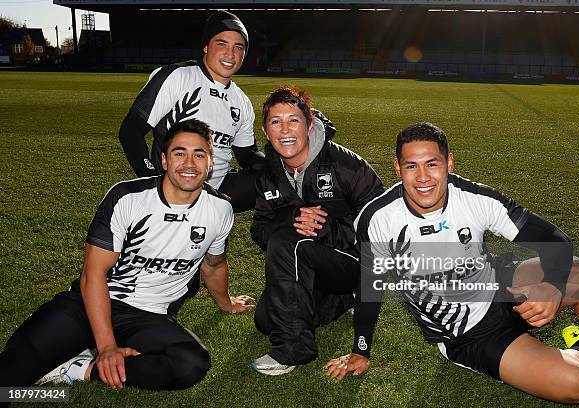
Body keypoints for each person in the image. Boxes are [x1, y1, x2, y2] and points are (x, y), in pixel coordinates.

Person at [325, 122, 579, 404]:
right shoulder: (378, 219)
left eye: (432, 164)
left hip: (501, 286)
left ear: (449, 163)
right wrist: (360, 350)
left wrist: (552, 285)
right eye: (412, 166)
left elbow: (553, 238)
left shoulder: (475, 198)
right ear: (398, 169)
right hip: (468, 333)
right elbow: (368, 287)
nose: (423, 177)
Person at [0, 119, 254, 390]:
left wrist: (226, 302)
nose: (189, 163)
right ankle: (82, 350)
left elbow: (214, 265)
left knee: (190, 364)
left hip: (149, 316)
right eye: (179, 153)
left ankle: (82, 370)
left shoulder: (220, 209)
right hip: (90, 304)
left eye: (199, 154)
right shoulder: (127, 197)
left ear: (210, 163)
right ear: (164, 161)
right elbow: (93, 274)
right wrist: (107, 346)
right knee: (10, 378)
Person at [249, 87, 385, 375]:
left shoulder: (346, 165)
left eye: (293, 120)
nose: (285, 130)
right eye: (276, 122)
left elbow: (382, 228)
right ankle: (344, 299)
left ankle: (293, 349)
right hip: (312, 267)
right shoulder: (267, 172)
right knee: (265, 319)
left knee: (290, 243)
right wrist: (292, 217)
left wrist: (327, 229)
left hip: (355, 264)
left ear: (309, 124)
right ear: (265, 129)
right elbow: (259, 230)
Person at [118, 10, 264, 213]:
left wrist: (285, 163)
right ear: (205, 46)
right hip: (175, 187)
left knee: (282, 180)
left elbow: (247, 156)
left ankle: (293, 240)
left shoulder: (242, 101)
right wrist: (153, 180)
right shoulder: (178, 77)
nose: (230, 54)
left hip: (217, 192)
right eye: (221, 43)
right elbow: (130, 131)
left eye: (238, 47)